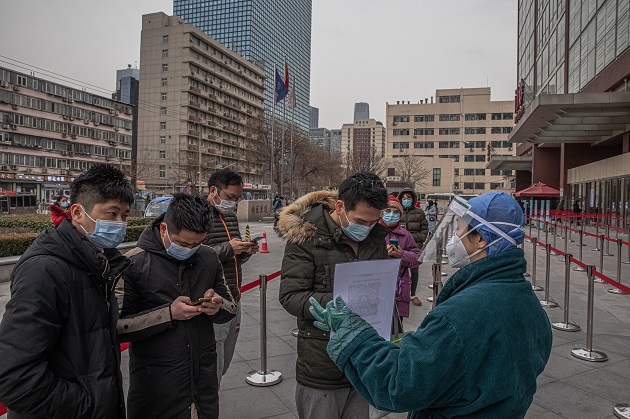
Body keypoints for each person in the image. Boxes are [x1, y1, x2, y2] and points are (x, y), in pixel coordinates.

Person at [309, 192, 553, 418]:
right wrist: (420, 343)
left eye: (460, 229)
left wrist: (355, 336)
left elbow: (398, 384)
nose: (455, 236)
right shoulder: (531, 305)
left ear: (480, 239)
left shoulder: (460, 315)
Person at [0, 165, 133, 418]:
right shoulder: (44, 271)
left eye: (124, 216)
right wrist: (90, 405)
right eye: (112, 214)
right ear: (77, 212)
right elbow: (14, 378)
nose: (120, 224)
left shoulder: (97, 262)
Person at [277, 171, 389, 419]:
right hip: (322, 361)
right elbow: (291, 295)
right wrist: (344, 301)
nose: (367, 229)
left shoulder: (376, 237)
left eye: (373, 222)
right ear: (340, 207)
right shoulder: (307, 236)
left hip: (365, 357)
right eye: (360, 221)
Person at [117, 193, 236, 418]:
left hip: (203, 382)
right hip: (157, 385)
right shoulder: (133, 264)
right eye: (183, 243)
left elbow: (230, 307)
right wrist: (168, 314)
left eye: (197, 244)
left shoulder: (208, 257)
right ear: (164, 230)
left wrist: (218, 306)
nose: (190, 248)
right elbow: (118, 326)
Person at [203, 168, 258, 386]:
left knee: (225, 360)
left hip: (234, 296)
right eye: (230, 197)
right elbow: (193, 255)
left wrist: (244, 251)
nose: (233, 203)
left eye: (237, 199)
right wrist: (228, 248)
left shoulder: (231, 217)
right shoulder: (197, 215)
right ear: (214, 190)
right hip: (212, 300)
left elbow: (232, 258)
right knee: (212, 367)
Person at [380, 195, 421, 325]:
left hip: (399, 288)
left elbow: (417, 258)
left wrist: (401, 254)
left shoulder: (406, 235)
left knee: (396, 328)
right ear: (381, 212)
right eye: (387, 211)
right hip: (378, 286)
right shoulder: (372, 232)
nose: (391, 215)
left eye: (395, 212)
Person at [399, 188, 429, 307]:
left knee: (414, 271)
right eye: (404, 198)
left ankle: (413, 294)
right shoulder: (397, 212)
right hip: (400, 248)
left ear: (413, 199)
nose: (406, 200)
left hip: (415, 247)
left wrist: (410, 236)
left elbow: (424, 231)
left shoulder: (419, 212)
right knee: (400, 271)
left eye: (409, 198)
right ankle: (399, 293)